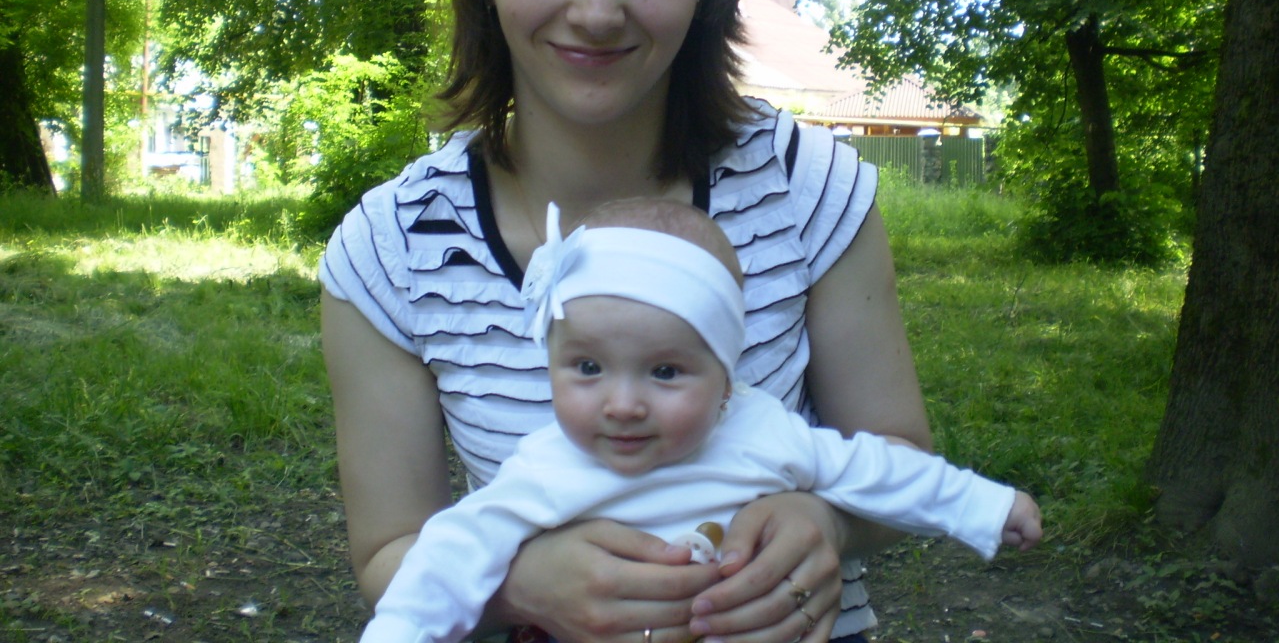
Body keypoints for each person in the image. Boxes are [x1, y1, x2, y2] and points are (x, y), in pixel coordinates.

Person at [321, 0, 936, 643]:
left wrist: (827, 521)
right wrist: (515, 585)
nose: (597, 8)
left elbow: (898, 457)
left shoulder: (806, 186)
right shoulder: (388, 252)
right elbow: (388, 551)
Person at [359, 199, 1043, 643]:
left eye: (665, 372)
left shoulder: (759, 432)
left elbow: (878, 470)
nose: (623, 404)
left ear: (724, 382)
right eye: (588, 367)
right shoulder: (546, 469)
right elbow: (451, 554)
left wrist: (981, 506)